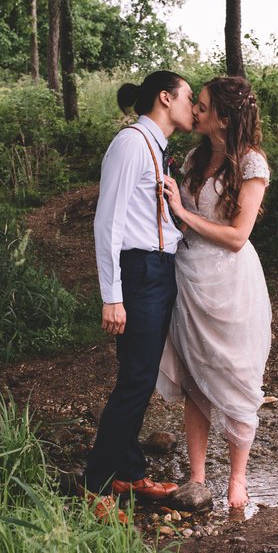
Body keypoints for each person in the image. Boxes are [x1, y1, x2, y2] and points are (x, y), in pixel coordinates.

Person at [83, 70, 195, 522]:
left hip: (159, 269)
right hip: (138, 272)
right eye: (189, 97)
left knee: (141, 375)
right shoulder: (131, 143)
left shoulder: (157, 147)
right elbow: (107, 221)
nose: (194, 106)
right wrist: (112, 295)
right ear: (165, 98)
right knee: (135, 380)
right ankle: (96, 485)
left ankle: (128, 472)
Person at [157, 76, 272, 512]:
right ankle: (199, 477)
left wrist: (183, 212)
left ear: (224, 117)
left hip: (231, 282)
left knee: (237, 375)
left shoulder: (251, 165)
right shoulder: (192, 157)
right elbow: (177, 220)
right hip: (190, 278)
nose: (196, 111)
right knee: (195, 381)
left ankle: (238, 478)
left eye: (202, 106)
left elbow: (238, 236)